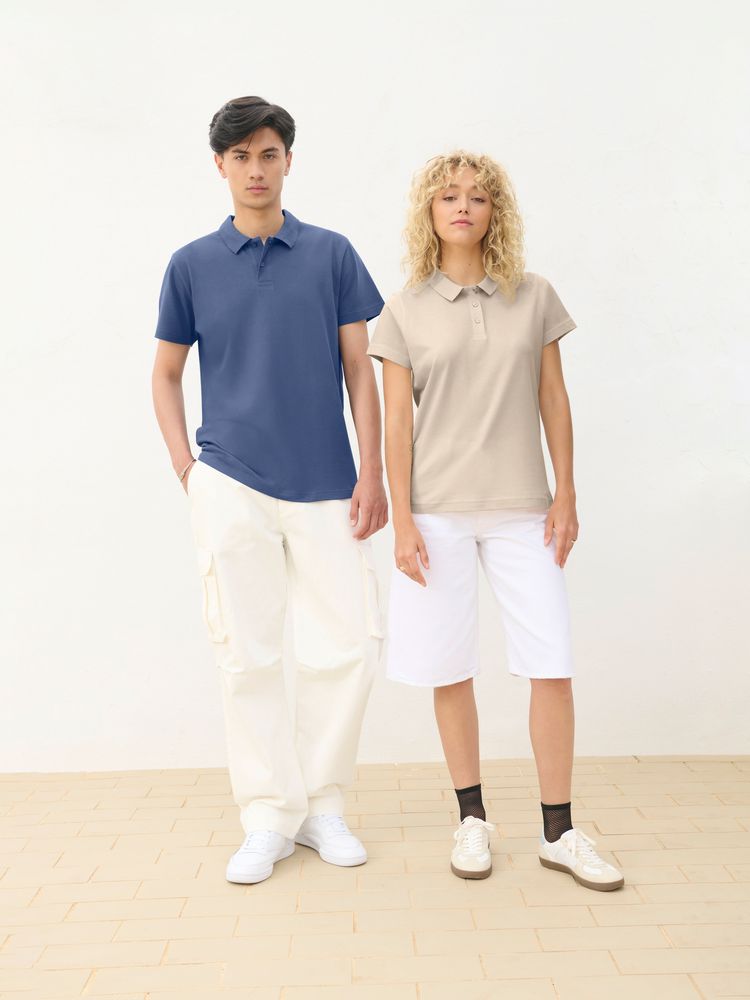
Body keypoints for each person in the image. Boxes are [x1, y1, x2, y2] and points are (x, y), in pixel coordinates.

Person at [366, 150, 624, 892]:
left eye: (478, 197)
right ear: (429, 210)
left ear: (494, 212)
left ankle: (559, 831)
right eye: (448, 195)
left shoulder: (533, 295)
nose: (463, 207)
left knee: (551, 663)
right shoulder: (403, 308)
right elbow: (396, 427)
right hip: (436, 513)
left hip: (523, 510)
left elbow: (553, 398)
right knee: (449, 667)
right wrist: (403, 520)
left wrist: (566, 493)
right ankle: (472, 818)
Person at [151, 96, 388, 885]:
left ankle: (323, 807)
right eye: (241, 156)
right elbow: (165, 373)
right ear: (219, 165)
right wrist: (189, 471)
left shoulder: (332, 254)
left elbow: (361, 372)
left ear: (289, 160)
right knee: (245, 656)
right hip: (230, 482)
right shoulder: (191, 264)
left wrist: (373, 471)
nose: (256, 169)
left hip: (327, 482)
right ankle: (266, 817)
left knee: (344, 648)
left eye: (269, 154)